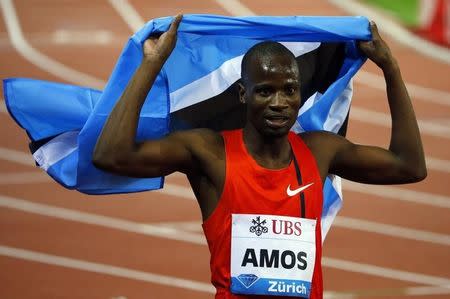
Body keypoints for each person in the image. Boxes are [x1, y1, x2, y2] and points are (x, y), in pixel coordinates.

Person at [93, 15, 426, 299]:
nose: (279, 102)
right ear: (243, 93)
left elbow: (408, 166)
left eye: (289, 90)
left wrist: (391, 68)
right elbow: (111, 155)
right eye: (265, 90)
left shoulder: (320, 151)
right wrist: (151, 65)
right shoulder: (210, 153)